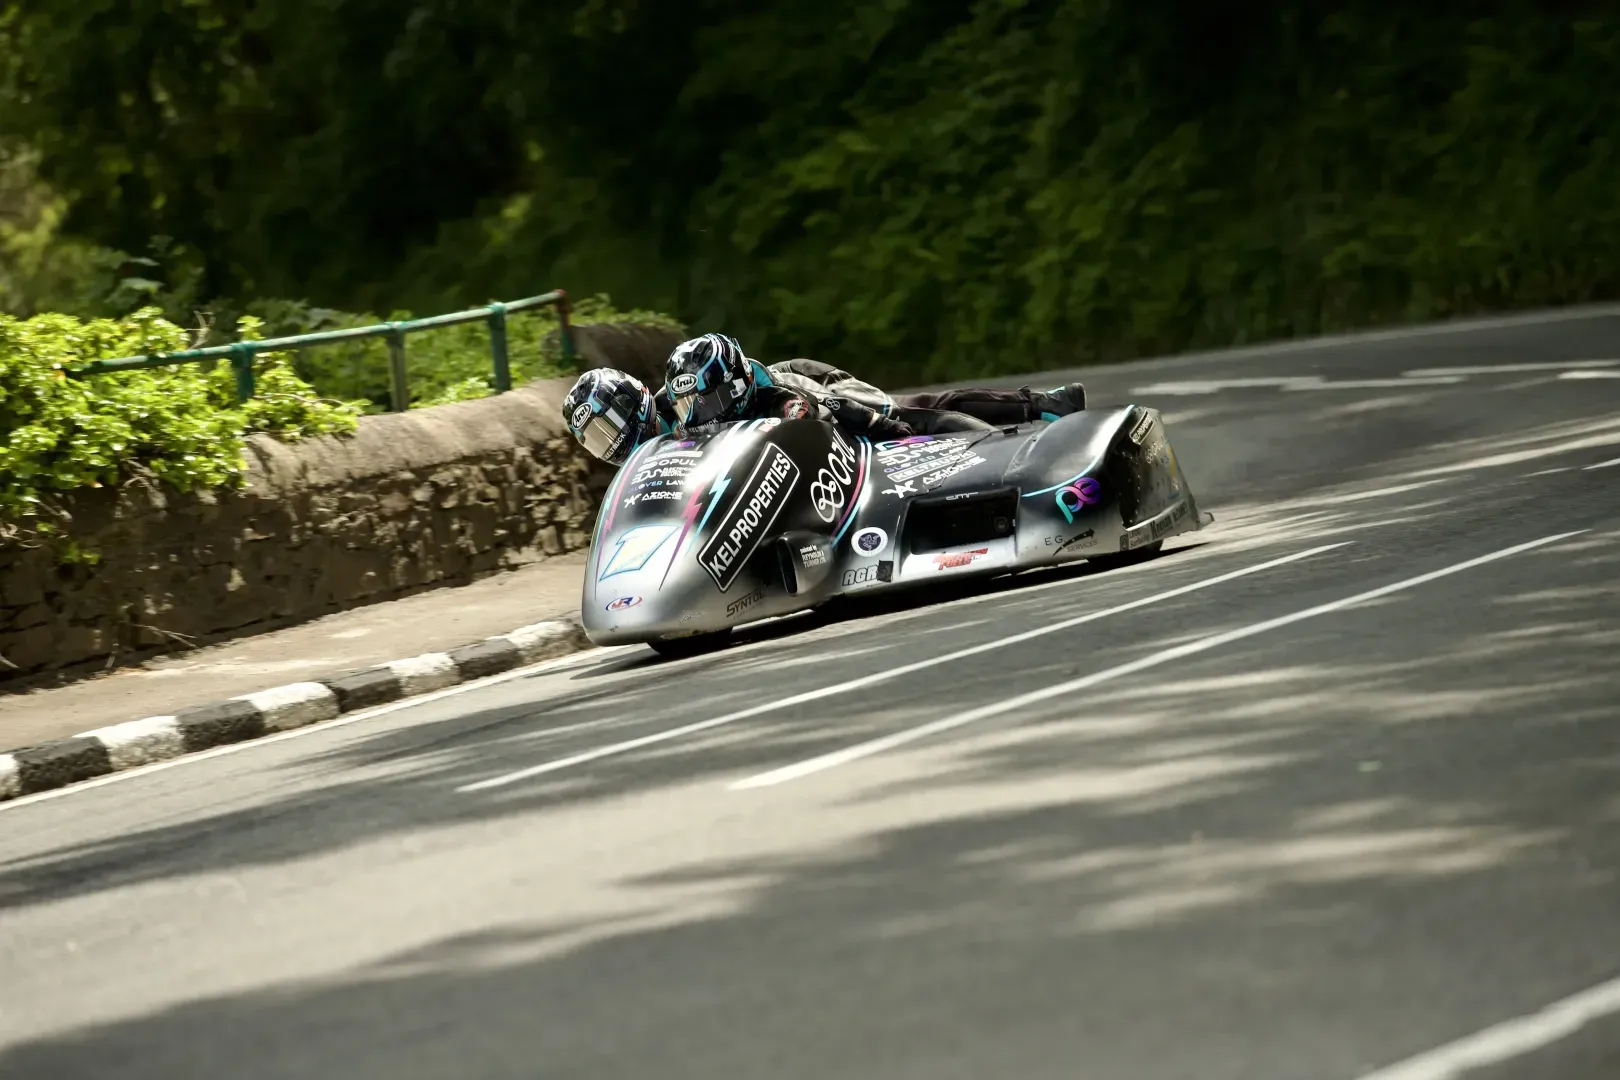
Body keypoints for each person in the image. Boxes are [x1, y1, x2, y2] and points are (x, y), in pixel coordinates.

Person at [664, 333, 1086, 436]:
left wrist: (885, 429)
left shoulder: (780, 398)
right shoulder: (689, 410)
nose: (700, 414)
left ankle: (1042, 406)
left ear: (735, 388)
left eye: (710, 400)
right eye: (690, 406)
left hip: (816, 385)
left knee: (903, 413)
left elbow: (835, 409)